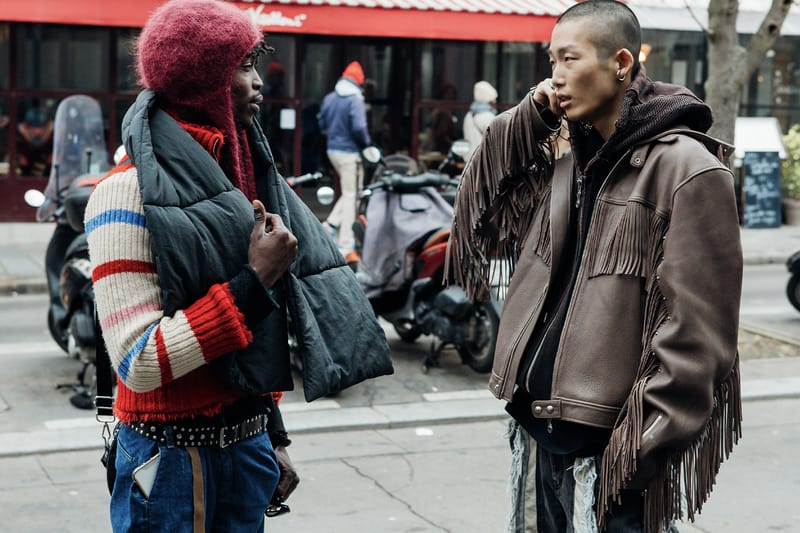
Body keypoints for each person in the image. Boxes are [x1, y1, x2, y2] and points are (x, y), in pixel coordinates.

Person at [84, 1, 390, 531]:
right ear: (206, 79)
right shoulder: (123, 193)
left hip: (246, 445)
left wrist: (271, 435)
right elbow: (139, 361)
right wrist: (254, 282)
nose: (259, 83)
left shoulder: (241, 184)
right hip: (169, 458)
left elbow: (253, 346)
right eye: (245, 66)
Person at [448, 2, 743, 532]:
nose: (554, 76)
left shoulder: (686, 168)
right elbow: (480, 201)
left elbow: (699, 338)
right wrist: (533, 114)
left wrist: (638, 454)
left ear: (621, 62)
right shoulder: (567, 157)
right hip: (542, 437)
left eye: (569, 58)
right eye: (550, 60)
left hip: (613, 462)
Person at [318, 61, 372, 260]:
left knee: (351, 192)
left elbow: (322, 122)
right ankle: (346, 241)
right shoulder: (355, 99)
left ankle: (330, 224)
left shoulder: (330, 98)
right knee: (352, 195)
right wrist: (367, 145)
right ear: (359, 81)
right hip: (350, 151)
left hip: (333, 150)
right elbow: (359, 127)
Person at [463, 80, 498, 161]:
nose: (495, 101)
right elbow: (496, 141)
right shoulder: (488, 117)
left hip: (469, 160)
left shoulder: (469, 115)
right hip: (483, 162)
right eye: (493, 98)